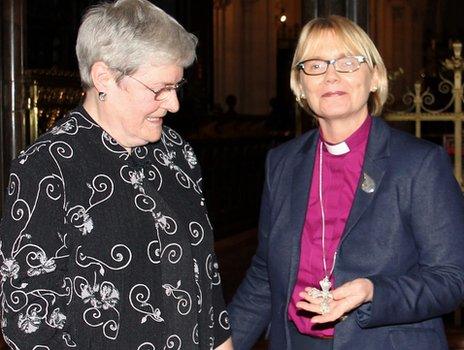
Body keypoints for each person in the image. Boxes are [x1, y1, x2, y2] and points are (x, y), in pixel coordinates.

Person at [0, 1, 233, 349]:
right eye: (158, 89)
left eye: (176, 87)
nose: (174, 105)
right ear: (104, 77)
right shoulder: (47, 168)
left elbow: (207, 283)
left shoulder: (176, 150)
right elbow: (28, 324)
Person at [228, 15, 464, 350]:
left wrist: (373, 292)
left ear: (374, 78)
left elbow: (452, 280)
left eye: (348, 62)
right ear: (299, 84)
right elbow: (266, 274)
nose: (331, 75)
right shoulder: (281, 163)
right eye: (315, 65)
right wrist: (224, 341)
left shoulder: (418, 163)